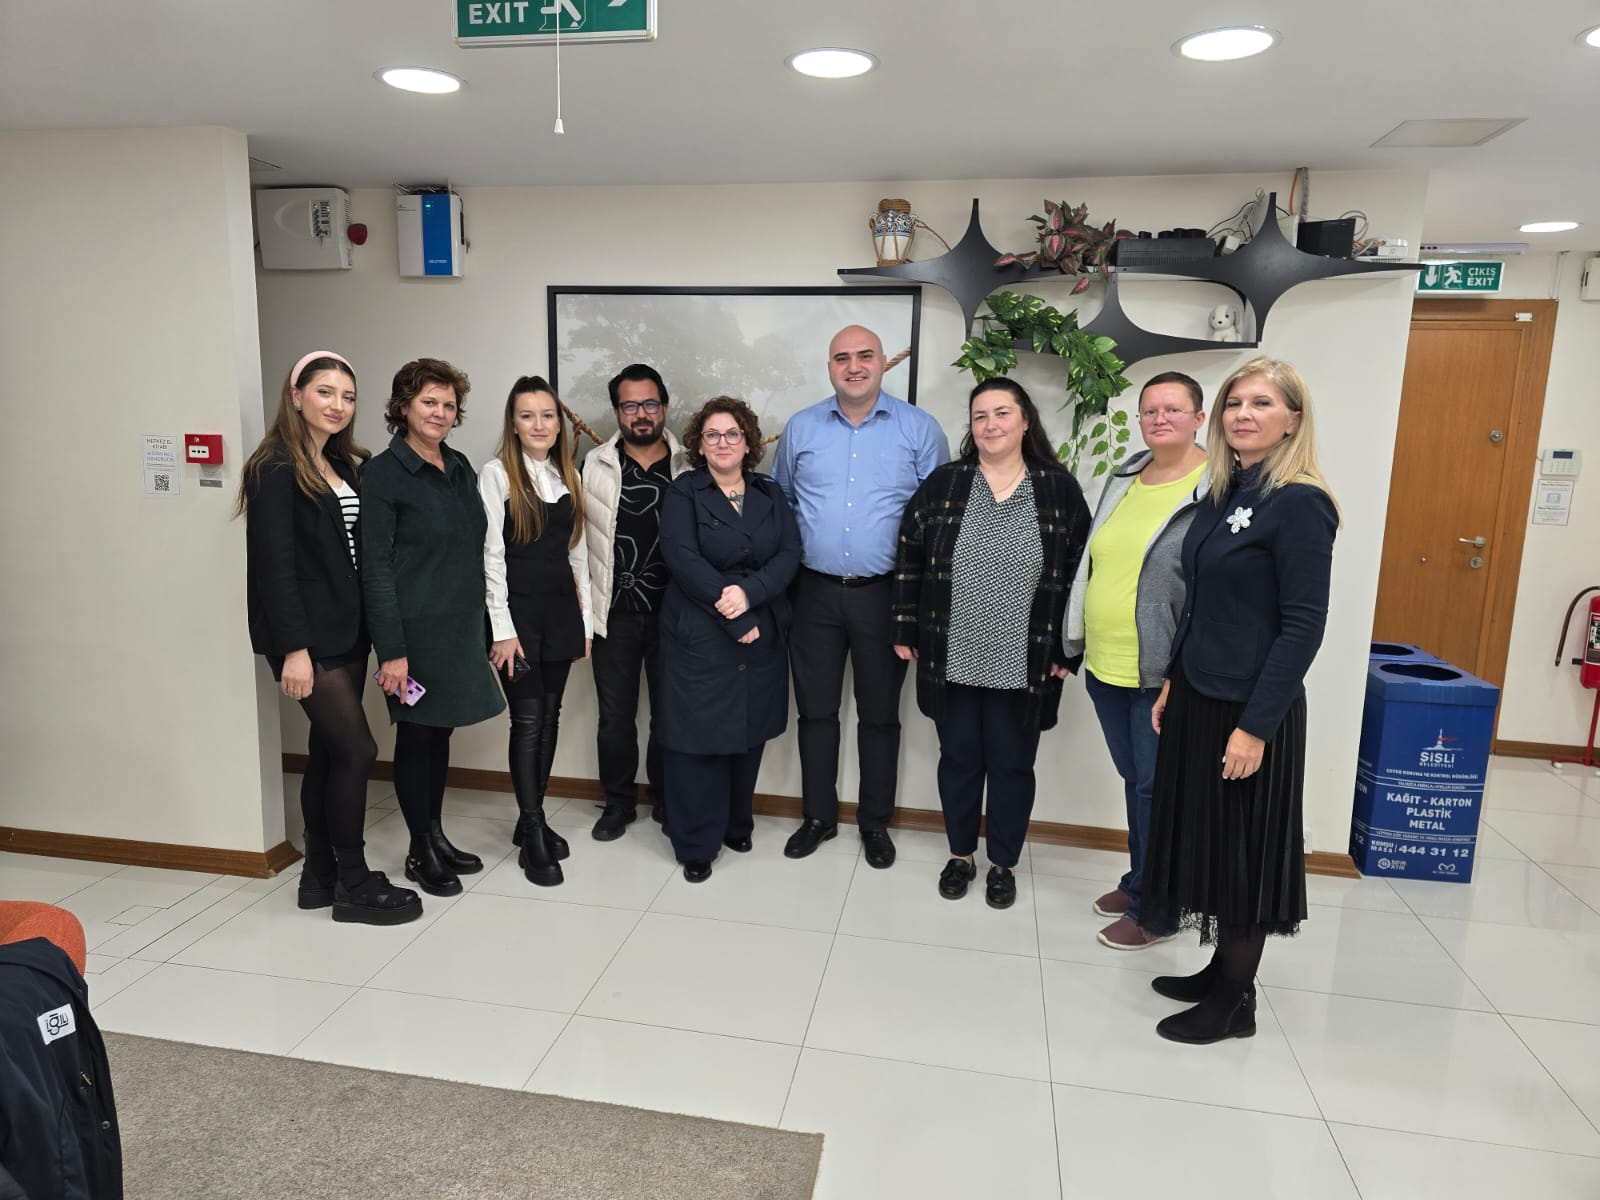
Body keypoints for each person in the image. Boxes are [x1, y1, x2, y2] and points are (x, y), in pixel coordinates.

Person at [1139, 357, 1339, 1045]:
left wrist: (1256, 727)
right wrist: (1173, 678)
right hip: (1200, 692)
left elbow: (1303, 626)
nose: (1243, 414)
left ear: (1292, 420)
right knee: (1210, 842)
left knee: (1243, 856)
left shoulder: (1301, 503)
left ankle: (1233, 1002)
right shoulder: (1227, 489)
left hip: (1250, 708)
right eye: (1234, 403)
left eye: (1261, 403)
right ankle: (1222, 973)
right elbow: (1199, 599)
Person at [892, 379, 1090, 909]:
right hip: (950, 652)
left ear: (1025, 422)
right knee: (958, 761)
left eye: (1002, 413)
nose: (990, 424)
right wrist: (905, 626)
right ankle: (960, 855)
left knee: (1011, 766)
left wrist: (1068, 648)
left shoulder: (1058, 489)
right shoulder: (945, 483)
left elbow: (1081, 573)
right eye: (980, 416)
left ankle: (1003, 863)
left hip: (1025, 660)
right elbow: (910, 554)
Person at [241, 351, 421, 925]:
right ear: (296, 396)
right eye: (325, 392)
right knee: (357, 750)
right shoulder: (273, 467)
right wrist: (293, 651)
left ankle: (318, 876)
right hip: (306, 638)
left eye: (347, 396)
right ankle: (353, 881)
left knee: (326, 750)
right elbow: (274, 568)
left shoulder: (343, 463)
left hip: (347, 630)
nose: (338, 405)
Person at [772, 325, 949, 868]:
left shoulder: (919, 428)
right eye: (842, 358)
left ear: (882, 362)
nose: (854, 366)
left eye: (864, 356)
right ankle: (818, 817)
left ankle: (875, 823)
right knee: (815, 713)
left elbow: (939, 519)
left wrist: (919, 606)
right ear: (829, 367)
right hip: (813, 593)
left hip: (886, 596)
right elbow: (781, 505)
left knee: (880, 716)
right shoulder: (801, 428)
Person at [1064, 372, 1209, 951]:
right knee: (1138, 782)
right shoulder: (1125, 475)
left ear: (1199, 418)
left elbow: (1211, 589)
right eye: (1150, 410)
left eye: (1173, 409)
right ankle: (1140, 880)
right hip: (1106, 663)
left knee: (1157, 790)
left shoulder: (1217, 488)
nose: (1159, 418)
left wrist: (1181, 671)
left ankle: (1157, 910)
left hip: (1162, 672)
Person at [362, 357, 506, 897]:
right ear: (403, 407)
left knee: (440, 733)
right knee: (417, 736)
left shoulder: (459, 465)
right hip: (413, 635)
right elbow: (375, 569)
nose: (440, 413)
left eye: (448, 404)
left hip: (458, 628)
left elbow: (476, 547)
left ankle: (437, 835)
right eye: (429, 402)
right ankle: (419, 849)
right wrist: (392, 651)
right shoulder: (383, 473)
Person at [658, 397, 801, 883]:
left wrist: (751, 593)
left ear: (748, 442)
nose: (723, 442)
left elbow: (789, 552)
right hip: (700, 632)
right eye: (712, 435)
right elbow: (683, 558)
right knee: (698, 741)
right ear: (699, 445)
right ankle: (696, 843)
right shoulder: (684, 491)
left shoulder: (769, 493)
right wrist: (734, 612)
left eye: (732, 433)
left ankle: (737, 823)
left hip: (762, 626)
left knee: (748, 732)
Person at [481, 376, 591, 887]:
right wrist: (502, 631)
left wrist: (585, 625)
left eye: (548, 415)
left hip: (561, 614)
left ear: (559, 424)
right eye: (528, 416)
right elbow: (491, 558)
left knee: (549, 717)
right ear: (513, 423)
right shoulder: (496, 474)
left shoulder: (568, 474)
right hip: (517, 619)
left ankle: (535, 819)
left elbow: (577, 555)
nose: (539, 424)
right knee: (527, 721)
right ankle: (531, 830)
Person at [581, 364, 689, 841]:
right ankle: (618, 803)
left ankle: (666, 797)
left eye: (649, 404)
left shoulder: (689, 464)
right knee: (615, 717)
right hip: (614, 613)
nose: (641, 414)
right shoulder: (595, 465)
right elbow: (578, 544)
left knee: (672, 713)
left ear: (664, 407)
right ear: (617, 411)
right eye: (630, 405)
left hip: (676, 614)